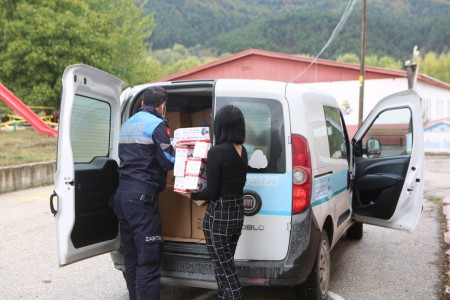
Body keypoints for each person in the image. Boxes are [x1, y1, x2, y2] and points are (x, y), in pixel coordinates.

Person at [114, 86, 175, 300]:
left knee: (132, 258)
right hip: (142, 200)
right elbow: (167, 161)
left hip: (123, 196)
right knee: (148, 261)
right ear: (163, 106)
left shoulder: (126, 124)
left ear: (141, 103)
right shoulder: (158, 125)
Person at [191, 105, 248, 300]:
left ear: (220, 126)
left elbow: (212, 191)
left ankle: (234, 296)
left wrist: (193, 194)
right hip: (237, 215)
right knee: (223, 265)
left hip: (219, 217)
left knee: (226, 269)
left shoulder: (217, 151)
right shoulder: (243, 151)